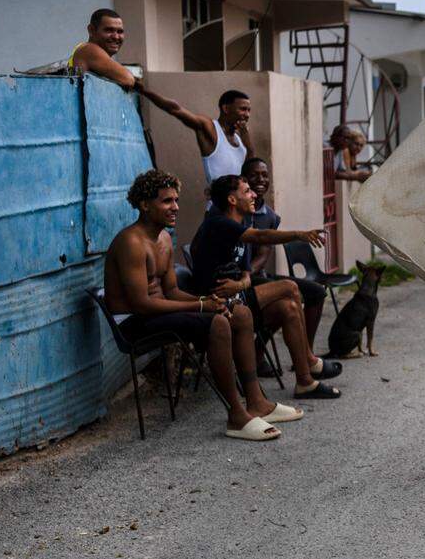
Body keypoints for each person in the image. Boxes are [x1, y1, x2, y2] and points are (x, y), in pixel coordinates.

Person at [104, 169, 303, 441]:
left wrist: (208, 301)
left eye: (176, 200)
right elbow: (141, 304)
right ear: (144, 205)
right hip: (134, 321)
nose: (175, 207)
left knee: (239, 313)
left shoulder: (163, 238)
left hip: (156, 309)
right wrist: (200, 306)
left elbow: (172, 291)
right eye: (166, 201)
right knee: (218, 322)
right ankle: (236, 415)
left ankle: (257, 402)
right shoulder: (131, 242)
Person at [190, 174, 343, 399]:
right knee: (290, 287)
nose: (253, 195)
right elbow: (261, 236)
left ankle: (305, 382)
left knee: (288, 308)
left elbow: (246, 274)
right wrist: (300, 234)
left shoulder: (240, 224)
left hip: (237, 296)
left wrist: (240, 283)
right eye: (247, 191)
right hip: (220, 304)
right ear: (232, 200)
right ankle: (309, 361)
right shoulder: (219, 223)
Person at [240, 157, 328, 350]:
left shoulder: (270, 216)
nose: (261, 180)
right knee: (284, 300)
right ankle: (259, 354)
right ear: (243, 179)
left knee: (317, 292)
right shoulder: (236, 210)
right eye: (254, 176)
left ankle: (307, 352)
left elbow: (263, 254)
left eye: (265, 175)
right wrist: (242, 276)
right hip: (239, 281)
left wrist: (248, 272)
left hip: (255, 275)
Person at [137, 86, 253, 187]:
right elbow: (174, 108)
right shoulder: (211, 128)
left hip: (239, 208)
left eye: (249, 110)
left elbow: (250, 169)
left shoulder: (240, 137)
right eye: (243, 109)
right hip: (219, 209)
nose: (247, 115)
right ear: (226, 108)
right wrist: (143, 90)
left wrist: (246, 138)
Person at [69, 8, 137, 91]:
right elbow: (128, 79)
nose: (116, 36)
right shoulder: (88, 50)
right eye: (109, 30)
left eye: (120, 31)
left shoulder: (83, 50)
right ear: (91, 30)